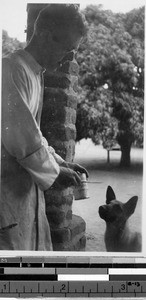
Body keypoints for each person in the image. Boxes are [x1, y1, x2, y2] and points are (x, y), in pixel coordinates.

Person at [1, 4, 88, 250]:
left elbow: (34, 133)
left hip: (23, 197)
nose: (68, 58)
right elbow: (23, 139)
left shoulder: (34, 73)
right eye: (67, 49)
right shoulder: (10, 70)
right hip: (6, 197)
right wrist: (55, 172)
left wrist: (60, 162)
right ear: (45, 34)